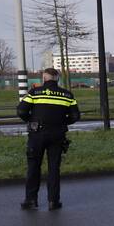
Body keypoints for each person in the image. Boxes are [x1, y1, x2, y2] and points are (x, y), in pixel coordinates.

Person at [17, 68, 80, 210]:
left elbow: (21, 111)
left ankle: (31, 200)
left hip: (37, 135)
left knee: (34, 166)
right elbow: (75, 116)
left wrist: (31, 121)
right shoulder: (67, 95)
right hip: (57, 135)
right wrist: (62, 123)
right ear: (57, 78)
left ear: (44, 78)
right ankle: (53, 201)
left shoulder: (34, 92)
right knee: (54, 168)